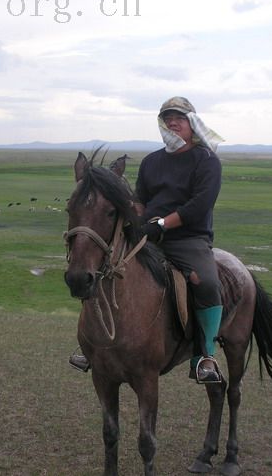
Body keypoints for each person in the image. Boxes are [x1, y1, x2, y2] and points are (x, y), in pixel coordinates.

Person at [70, 96, 225, 384]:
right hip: (149, 234)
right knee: (107, 269)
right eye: (167, 118)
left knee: (206, 281)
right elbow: (141, 199)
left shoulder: (207, 161)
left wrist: (163, 224)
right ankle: (92, 343)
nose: (172, 122)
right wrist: (136, 219)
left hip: (189, 238)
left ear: (193, 123)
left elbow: (199, 205)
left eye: (179, 117)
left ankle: (205, 354)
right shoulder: (153, 161)